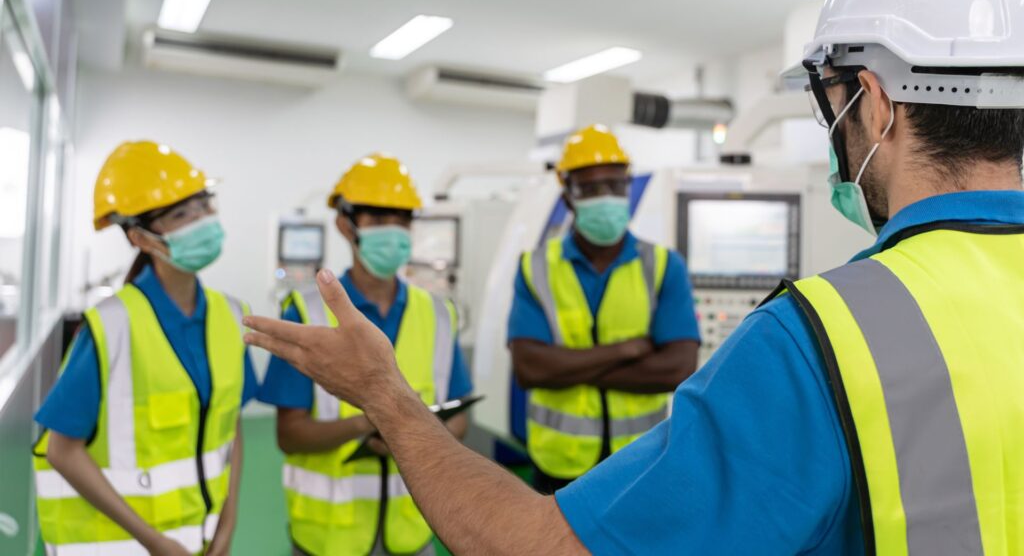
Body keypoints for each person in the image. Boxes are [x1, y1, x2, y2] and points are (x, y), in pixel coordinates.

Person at [242, 0, 1024, 552]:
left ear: (875, 104)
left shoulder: (821, 339)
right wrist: (629, 355)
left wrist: (383, 393)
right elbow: (537, 365)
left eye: (833, 105)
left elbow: (542, 545)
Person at [34, 141, 258, 556]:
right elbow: (61, 451)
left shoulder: (231, 316)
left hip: (199, 539)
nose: (201, 221)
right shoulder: (110, 326)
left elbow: (231, 427)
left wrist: (228, 521)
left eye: (203, 206)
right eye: (181, 215)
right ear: (141, 237)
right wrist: (153, 541)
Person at [257, 153, 472, 556]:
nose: (393, 230)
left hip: (415, 527)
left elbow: (459, 417)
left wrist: (412, 431)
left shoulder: (438, 314)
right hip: (329, 538)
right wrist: (367, 423)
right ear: (345, 224)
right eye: (378, 217)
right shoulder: (306, 312)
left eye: (401, 218)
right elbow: (290, 435)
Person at [508, 124, 700, 493]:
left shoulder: (664, 265)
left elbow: (677, 368)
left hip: (642, 460)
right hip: (559, 463)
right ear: (568, 196)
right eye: (591, 188)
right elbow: (530, 368)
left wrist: (568, 366)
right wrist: (626, 351)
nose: (606, 197)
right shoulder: (535, 267)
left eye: (615, 185)